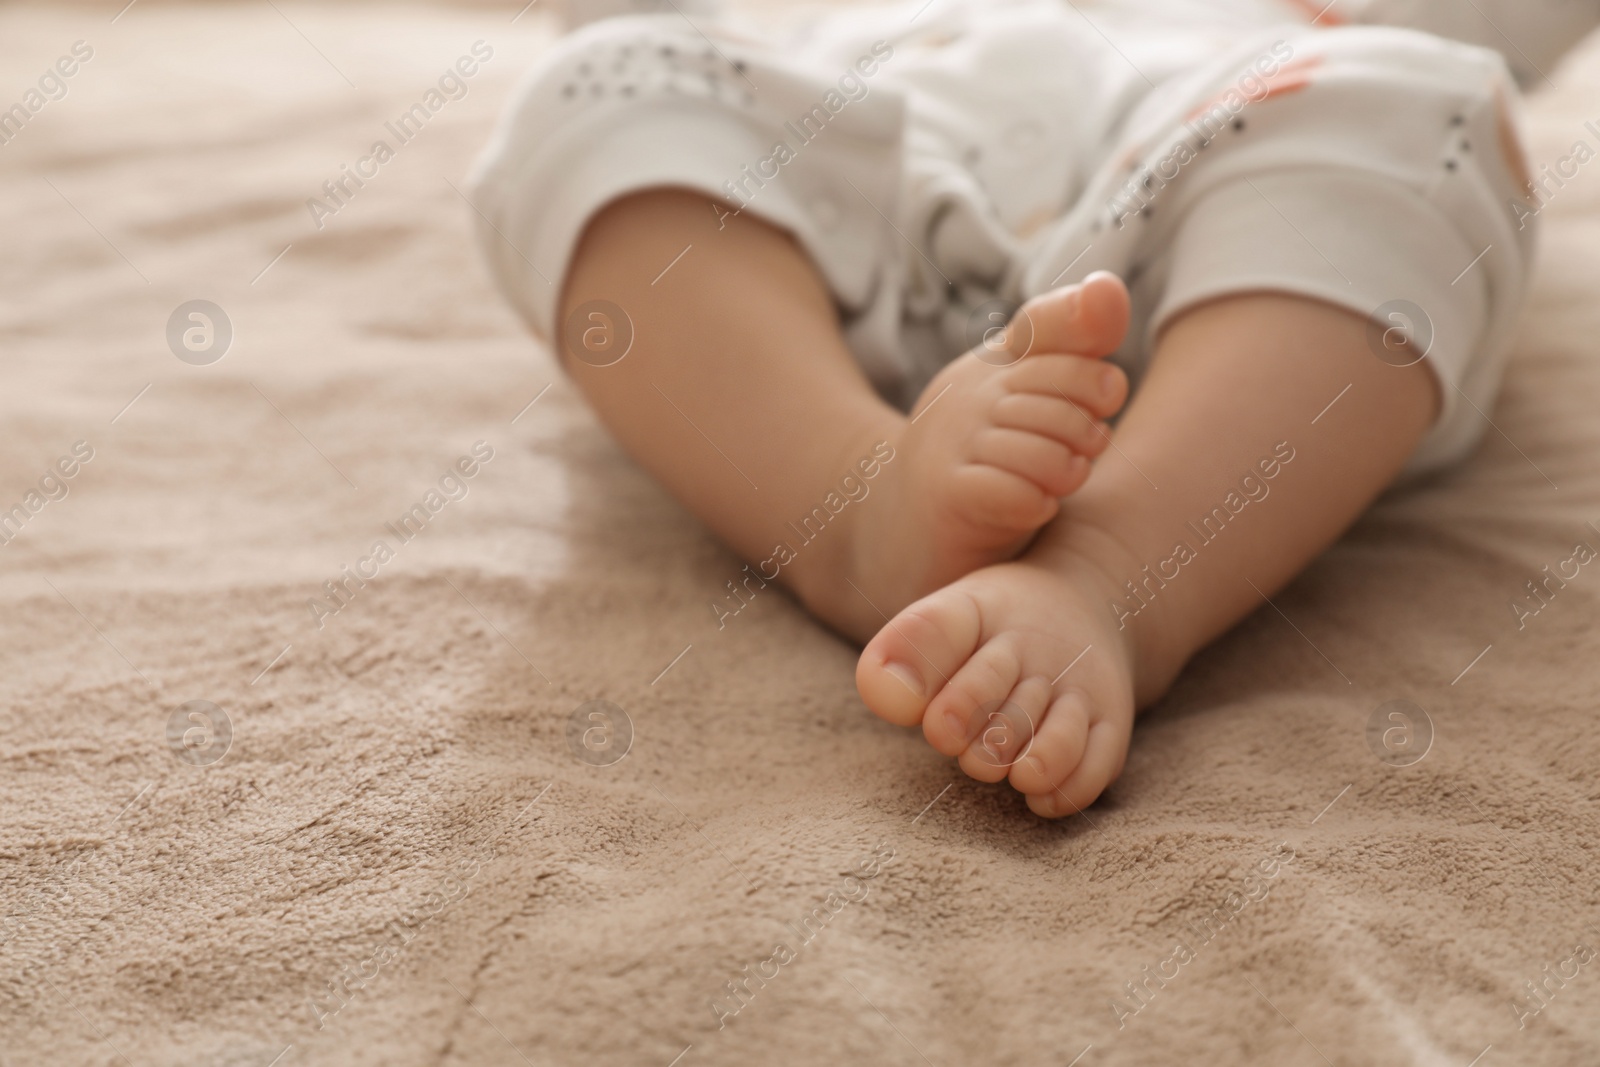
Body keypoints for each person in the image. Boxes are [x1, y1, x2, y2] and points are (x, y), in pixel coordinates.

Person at [468, 0, 1597, 816]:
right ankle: (859, 512)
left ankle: (1109, 572)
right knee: (601, 89)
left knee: (1423, 108)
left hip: (1204, 262)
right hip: (843, 220)